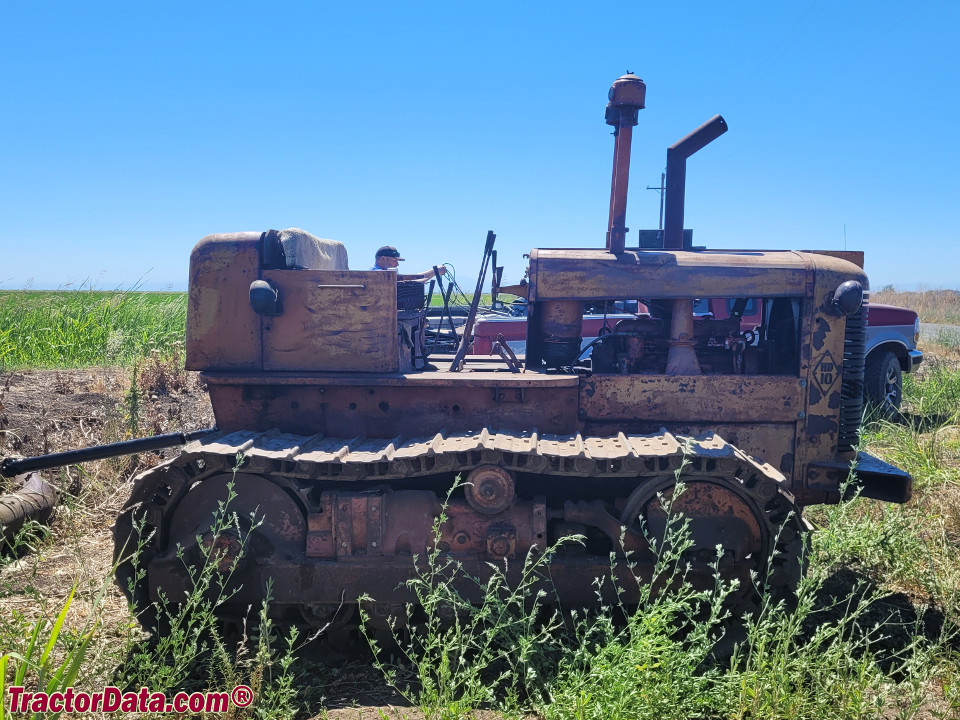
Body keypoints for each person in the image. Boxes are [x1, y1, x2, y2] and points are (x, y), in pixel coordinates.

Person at [371, 246, 446, 282]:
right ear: (383, 259)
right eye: (394, 260)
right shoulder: (380, 275)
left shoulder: (374, 273)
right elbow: (412, 282)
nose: (397, 264)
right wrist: (435, 271)